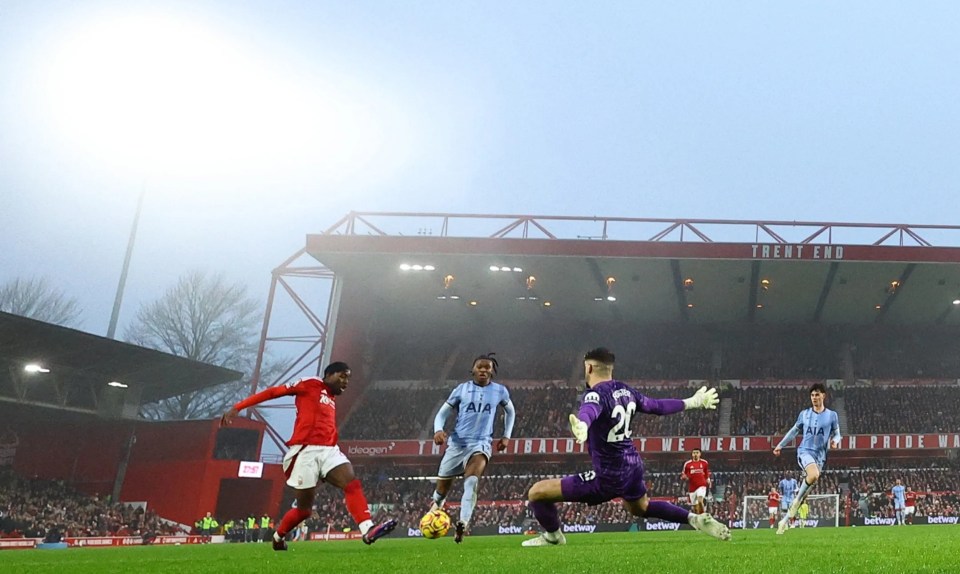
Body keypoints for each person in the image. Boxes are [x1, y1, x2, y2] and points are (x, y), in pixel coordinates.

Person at [521, 347, 730, 547]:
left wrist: (583, 424)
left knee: (536, 493)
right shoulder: (626, 390)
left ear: (589, 368)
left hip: (610, 474)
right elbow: (656, 406)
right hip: (632, 465)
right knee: (641, 507)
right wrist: (692, 401)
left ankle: (553, 536)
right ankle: (695, 519)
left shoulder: (595, 393)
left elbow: (590, 408)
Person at [221, 361, 397, 551]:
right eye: (343, 376)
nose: (346, 382)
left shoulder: (331, 397)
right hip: (305, 452)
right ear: (329, 375)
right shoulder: (310, 384)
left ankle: (367, 529)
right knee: (304, 511)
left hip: (329, 450)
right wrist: (238, 407)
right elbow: (273, 392)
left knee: (351, 482)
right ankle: (278, 537)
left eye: (348, 378)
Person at [430, 353, 515, 543]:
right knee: (442, 489)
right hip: (457, 444)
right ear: (473, 370)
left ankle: (463, 523)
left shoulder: (500, 391)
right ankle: (437, 506)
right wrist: (438, 430)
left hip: (481, 443)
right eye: (480, 367)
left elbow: (510, 410)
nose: (484, 370)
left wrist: (506, 436)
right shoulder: (461, 389)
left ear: (492, 371)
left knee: (471, 482)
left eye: (488, 367)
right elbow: (442, 413)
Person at [773, 383, 841, 535]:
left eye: (817, 394)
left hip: (820, 457)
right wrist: (780, 445)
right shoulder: (804, 414)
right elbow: (793, 431)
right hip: (805, 452)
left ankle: (784, 521)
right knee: (813, 475)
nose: (814, 398)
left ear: (824, 396)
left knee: (805, 493)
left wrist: (835, 441)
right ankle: (796, 500)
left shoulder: (832, 415)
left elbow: (837, 433)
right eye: (812, 395)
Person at [681, 448, 711, 514]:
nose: (695, 454)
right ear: (692, 454)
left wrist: (708, 480)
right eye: (694, 453)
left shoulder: (704, 463)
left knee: (700, 500)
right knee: (695, 507)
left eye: (697, 453)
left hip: (701, 485)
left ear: (700, 454)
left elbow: (706, 473)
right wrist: (684, 477)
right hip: (692, 487)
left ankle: (702, 516)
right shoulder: (687, 464)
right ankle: (698, 516)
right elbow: (683, 474)